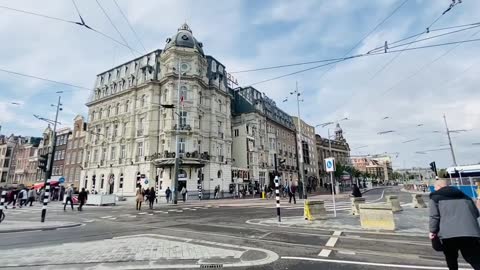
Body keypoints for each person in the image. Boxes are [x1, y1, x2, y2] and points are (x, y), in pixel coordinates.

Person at [429, 179, 480, 270]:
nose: (435, 190)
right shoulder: (465, 196)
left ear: (439, 187)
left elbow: (434, 216)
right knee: (474, 259)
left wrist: (432, 231)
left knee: (451, 259)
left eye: (436, 188)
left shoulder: (435, 197)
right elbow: (476, 213)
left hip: (448, 234)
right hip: (470, 233)